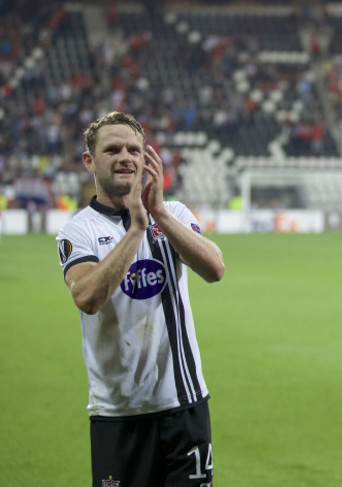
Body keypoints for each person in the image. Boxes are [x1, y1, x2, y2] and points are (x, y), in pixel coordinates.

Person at [56, 111, 225, 486]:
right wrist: (136, 229)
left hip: (184, 406)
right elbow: (86, 297)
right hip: (117, 414)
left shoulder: (173, 213)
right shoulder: (78, 230)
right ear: (90, 161)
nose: (125, 157)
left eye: (134, 149)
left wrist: (158, 212)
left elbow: (215, 269)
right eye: (112, 149)